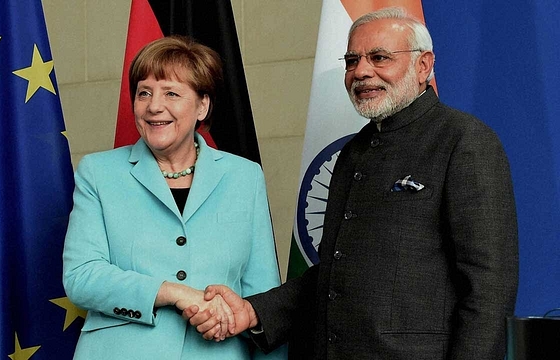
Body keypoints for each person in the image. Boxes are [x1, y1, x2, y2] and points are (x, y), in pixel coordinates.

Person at [184, 7, 519, 360]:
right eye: (351, 60)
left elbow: (488, 289)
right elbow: (336, 272)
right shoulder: (353, 153)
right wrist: (254, 312)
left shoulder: (463, 141)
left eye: (379, 57)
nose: (361, 71)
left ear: (423, 66)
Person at [62, 35, 286, 360]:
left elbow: (263, 298)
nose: (154, 106)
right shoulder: (98, 172)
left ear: (202, 105)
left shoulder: (244, 177)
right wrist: (173, 292)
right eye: (144, 93)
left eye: (171, 93)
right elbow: (81, 276)